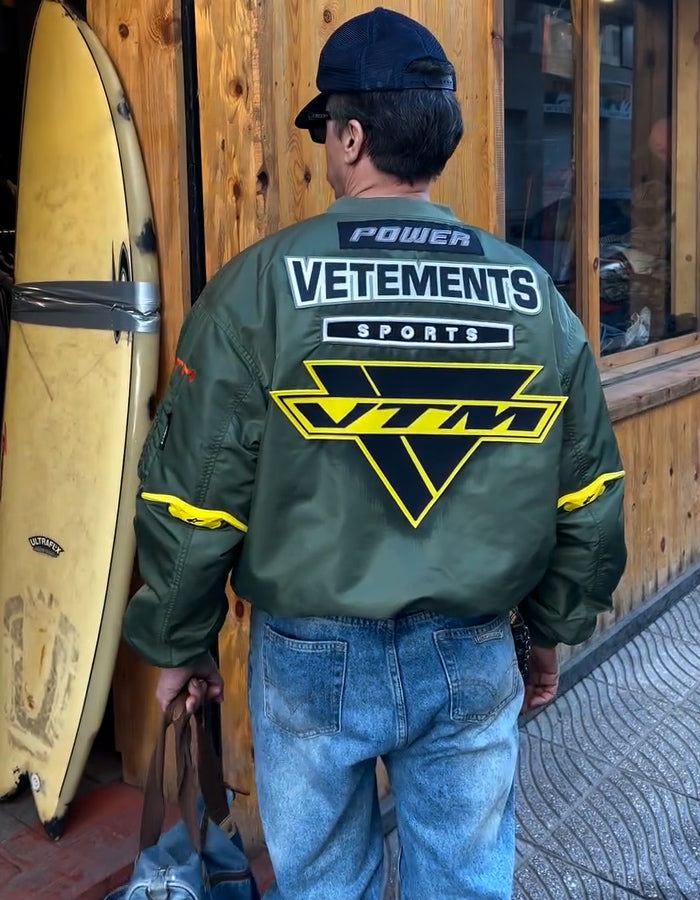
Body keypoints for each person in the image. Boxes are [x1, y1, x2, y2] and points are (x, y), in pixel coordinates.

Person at [123, 8, 627, 899]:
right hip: (474, 648)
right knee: (466, 884)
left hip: (308, 658)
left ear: (351, 137)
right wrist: (551, 630)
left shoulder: (255, 290)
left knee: (323, 886)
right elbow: (589, 494)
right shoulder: (534, 298)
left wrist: (178, 640)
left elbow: (194, 498)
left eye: (325, 129)